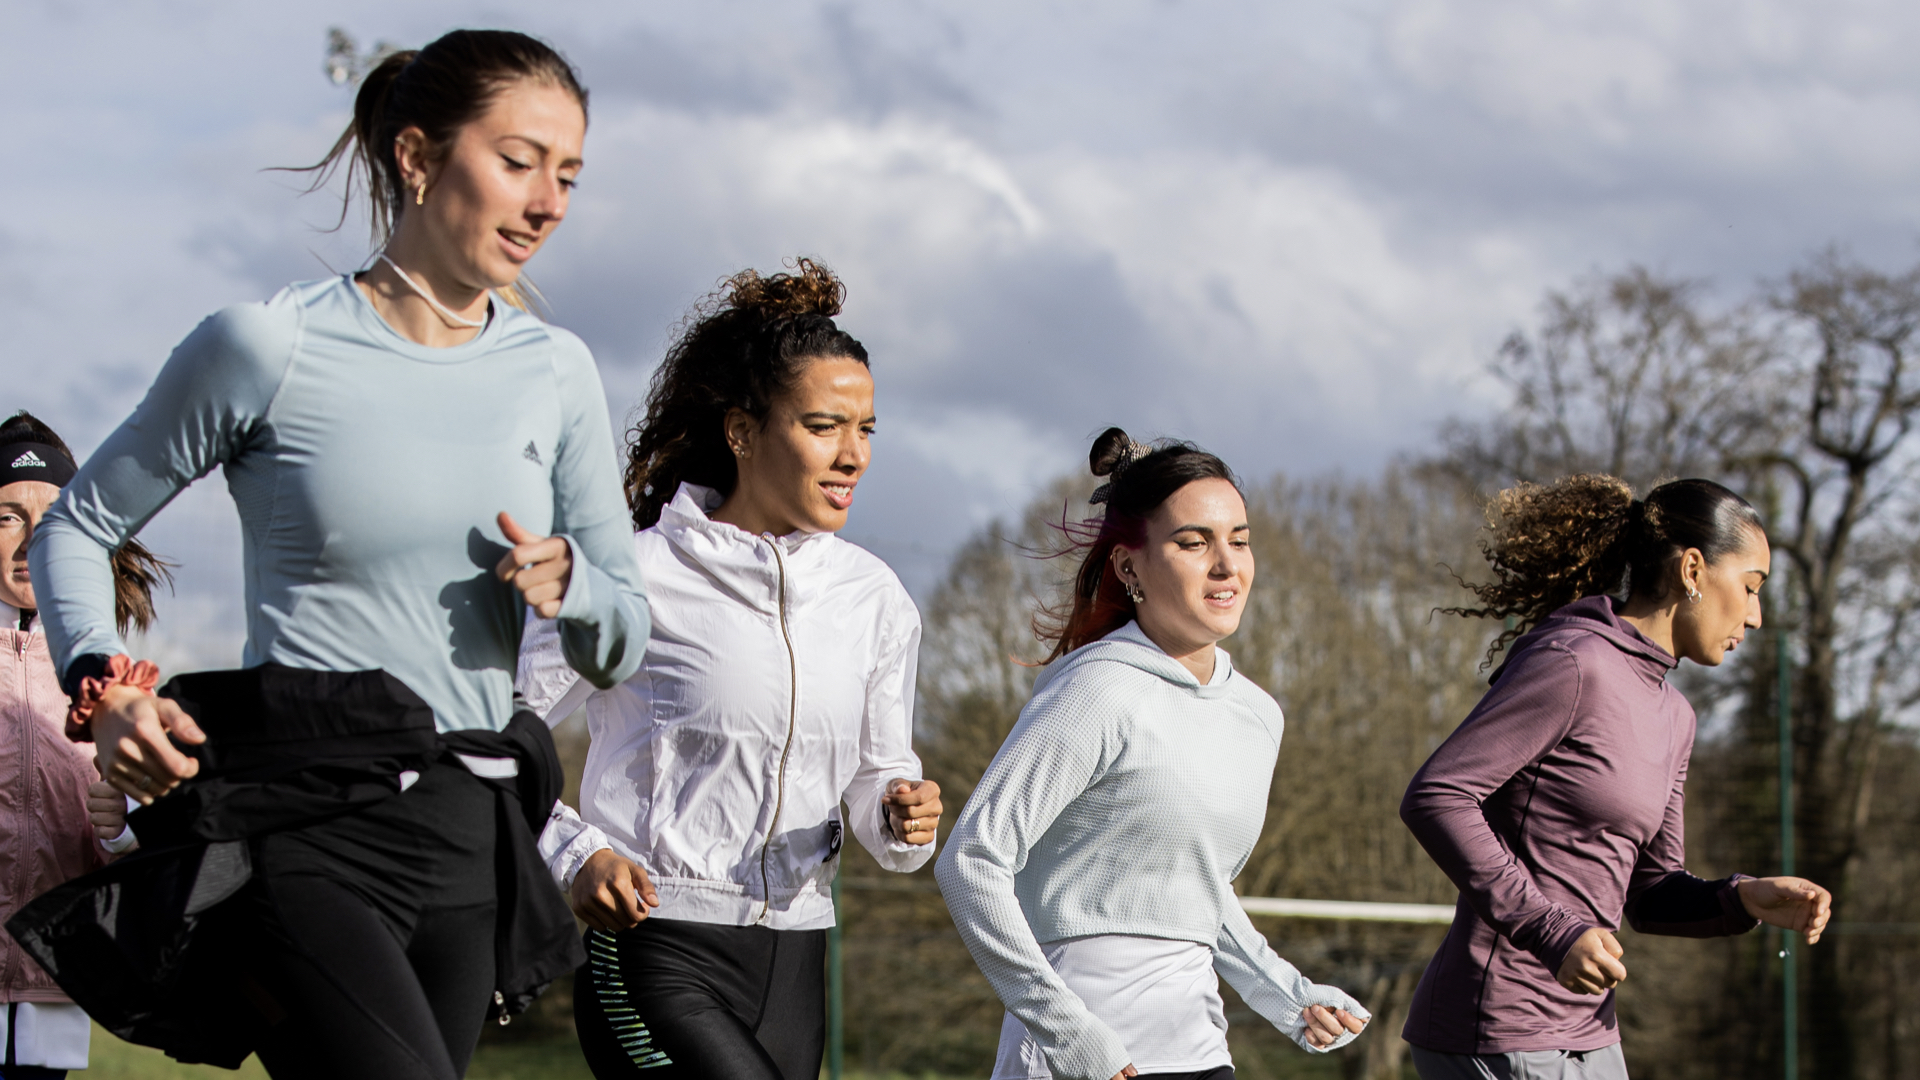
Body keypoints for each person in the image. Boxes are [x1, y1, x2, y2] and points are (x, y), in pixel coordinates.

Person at [19, 30, 649, 1080]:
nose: (550, 202)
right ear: (417, 157)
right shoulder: (268, 346)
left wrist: (577, 585)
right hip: (307, 822)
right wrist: (105, 688)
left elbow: (623, 638)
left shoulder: (557, 371)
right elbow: (77, 527)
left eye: (570, 173)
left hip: (472, 828)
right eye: (519, 160)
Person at [516, 258, 941, 1080]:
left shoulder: (874, 598)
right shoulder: (633, 576)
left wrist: (900, 813)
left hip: (798, 954)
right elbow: (496, 729)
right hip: (654, 946)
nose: (853, 455)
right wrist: (574, 855)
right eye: (824, 426)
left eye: (867, 430)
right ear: (743, 433)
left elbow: (876, 777)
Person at [935, 428, 1370, 1080]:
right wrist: (1071, 1034)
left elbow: (1195, 888)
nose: (1226, 564)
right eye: (1193, 543)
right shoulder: (1096, 689)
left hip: (1199, 1053)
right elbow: (970, 862)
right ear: (1129, 566)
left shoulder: (1258, 717)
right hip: (1077, 1062)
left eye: (1240, 540)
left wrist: (1285, 994)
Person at [1399, 474, 1833, 1080]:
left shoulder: (1676, 716)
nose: (1756, 616)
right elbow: (1438, 796)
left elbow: (1650, 892)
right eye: (1751, 587)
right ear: (1692, 571)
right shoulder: (1575, 662)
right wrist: (1552, 932)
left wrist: (1739, 898)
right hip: (1500, 1030)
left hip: (1591, 1032)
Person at [0, 413, 151, 1079]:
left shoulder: (115, 683)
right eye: (6, 516)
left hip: (52, 983)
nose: (29, 542)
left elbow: (140, 861)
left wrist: (122, 832)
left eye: (50, 519)